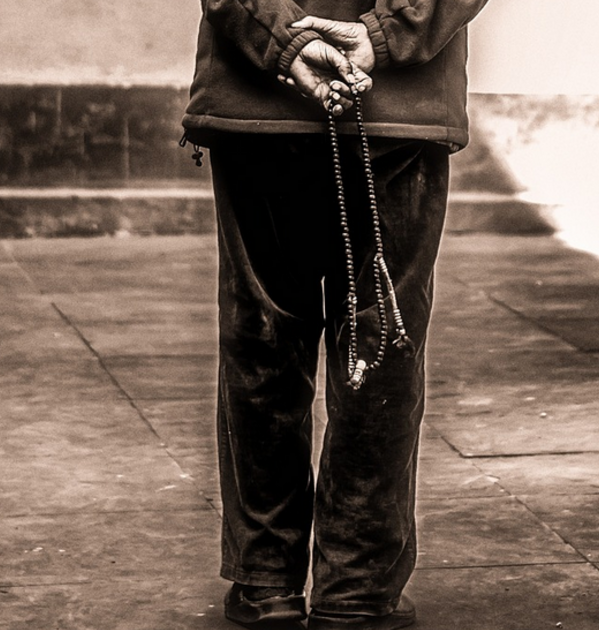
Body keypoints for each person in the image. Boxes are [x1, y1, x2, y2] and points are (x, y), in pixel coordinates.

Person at [181, 1, 489, 628]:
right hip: (397, 108)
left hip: (260, 105)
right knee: (381, 348)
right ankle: (357, 587)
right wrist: (387, 33)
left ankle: (266, 581)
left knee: (263, 341)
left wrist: (283, 40)